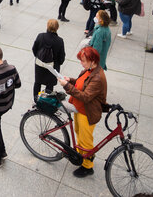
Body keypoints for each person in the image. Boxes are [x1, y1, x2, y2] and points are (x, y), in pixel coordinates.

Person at [58, 46, 108, 177]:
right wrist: (71, 80)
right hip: (80, 109)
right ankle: (81, 155)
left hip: (87, 112)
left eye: (83, 60)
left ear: (92, 60)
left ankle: (87, 166)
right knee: (79, 133)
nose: (81, 63)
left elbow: (85, 97)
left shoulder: (97, 77)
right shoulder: (90, 70)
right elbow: (82, 83)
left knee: (86, 140)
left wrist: (66, 86)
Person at [32, 19, 65, 96]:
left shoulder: (40, 36)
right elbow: (61, 57)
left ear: (47, 26)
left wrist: (39, 58)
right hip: (52, 67)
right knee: (49, 85)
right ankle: (46, 101)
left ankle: (36, 99)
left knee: (37, 83)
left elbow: (34, 49)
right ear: (57, 28)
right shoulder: (59, 41)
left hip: (40, 65)